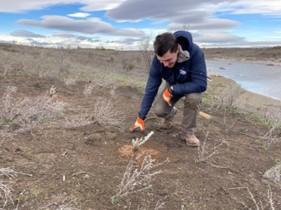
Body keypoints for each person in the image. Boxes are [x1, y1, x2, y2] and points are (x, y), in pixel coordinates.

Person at [130, 31, 207, 147]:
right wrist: (141, 117)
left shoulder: (195, 53)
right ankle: (171, 113)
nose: (165, 64)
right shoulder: (157, 62)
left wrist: (174, 89)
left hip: (191, 85)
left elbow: (201, 84)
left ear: (177, 50)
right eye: (162, 61)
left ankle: (188, 133)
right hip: (172, 85)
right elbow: (150, 89)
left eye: (168, 60)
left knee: (194, 98)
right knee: (160, 111)